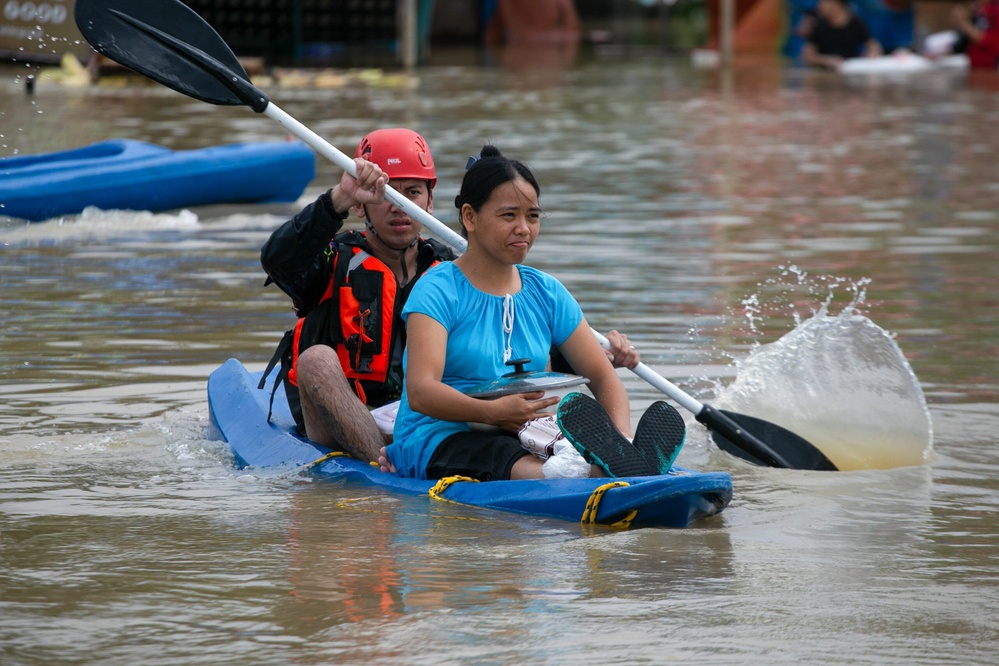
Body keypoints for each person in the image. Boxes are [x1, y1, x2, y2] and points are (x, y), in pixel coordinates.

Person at [260, 129, 640, 465]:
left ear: (428, 202)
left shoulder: (447, 265)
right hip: (351, 415)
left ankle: (597, 457)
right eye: (385, 194)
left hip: (440, 411)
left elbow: (504, 349)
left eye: (411, 192)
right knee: (315, 360)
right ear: (361, 205)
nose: (398, 205)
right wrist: (338, 198)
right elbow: (278, 260)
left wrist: (594, 356)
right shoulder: (332, 258)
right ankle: (381, 464)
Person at [381, 146, 684, 482]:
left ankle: (618, 458)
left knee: (542, 444)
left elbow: (602, 377)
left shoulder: (547, 291)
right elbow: (422, 391)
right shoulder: (436, 290)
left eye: (533, 216)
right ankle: (576, 476)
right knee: (499, 452)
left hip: (525, 430)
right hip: (437, 436)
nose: (524, 229)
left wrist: (620, 436)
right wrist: (492, 413)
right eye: (509, 216)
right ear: (470, 217)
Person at [800, 0, 883, 70]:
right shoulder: (819, 26)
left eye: (824, 3)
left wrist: (873, 53)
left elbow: (872, 44)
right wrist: (826, 60)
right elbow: (807, 56)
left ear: (836, 4)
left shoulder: (856, 23)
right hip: (826, 72)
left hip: (850, 70)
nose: (819, 6)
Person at [952, 0, 999, 68]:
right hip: (975, 65)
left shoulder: (996, 8)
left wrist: (963, 22)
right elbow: (963, 40)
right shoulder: (979, 7)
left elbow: (993, 41)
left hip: (991, 67)